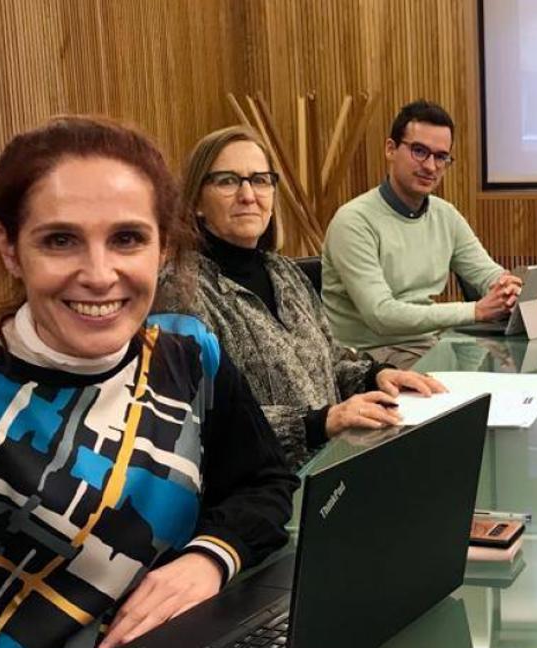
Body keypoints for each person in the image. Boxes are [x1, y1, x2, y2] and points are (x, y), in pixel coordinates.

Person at [0, 116, 295, 648]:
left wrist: (211, 557)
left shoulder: (190, 355)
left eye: (127, 238)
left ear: (164, 248)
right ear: (10, 248)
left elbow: (265, 485)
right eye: (60, 241)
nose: (99, 275)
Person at [157, 126, 445, 469]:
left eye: (260, 180)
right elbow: (198, 420)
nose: (248, 195)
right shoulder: (179, 291)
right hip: (261, 491)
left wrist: (375, 376)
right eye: (228, 181)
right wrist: (317, 424)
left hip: (332, 468)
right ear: (197, 201)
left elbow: (329, 361)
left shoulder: (285, 273)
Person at [322, 100, 522, 368]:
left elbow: (487, 274)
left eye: (441, 156)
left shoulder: (445, 215)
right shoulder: (353, 221)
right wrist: (475, 310)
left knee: (509, 370)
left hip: (427, 345)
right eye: (419, 151)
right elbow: (381, 315)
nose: (430, 166)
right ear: (390, 149)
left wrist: (507, 287)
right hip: (369, 359)